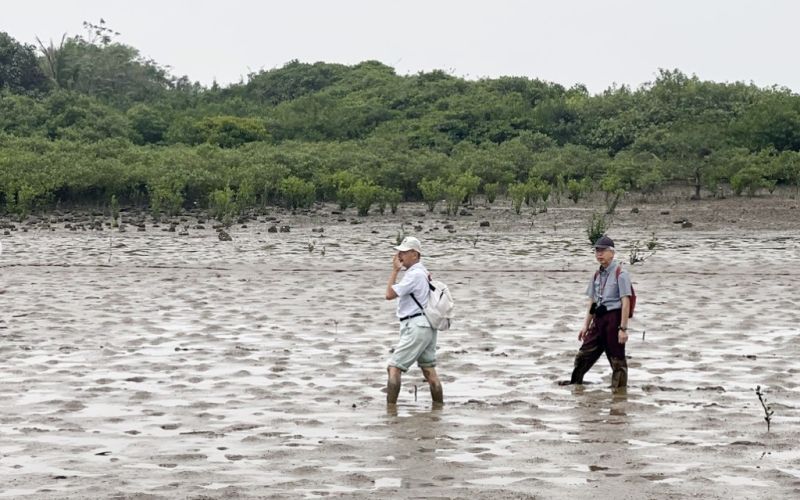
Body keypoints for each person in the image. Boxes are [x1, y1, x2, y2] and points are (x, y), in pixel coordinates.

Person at [566, 235, 632, 390]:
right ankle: (575, 385)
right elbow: (593, 302)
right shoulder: (596, 275)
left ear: (612, 253)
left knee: (617, 359)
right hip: (599, 319)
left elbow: (625, 302)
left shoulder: (621, 274)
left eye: (602, 251)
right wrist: (585, 326)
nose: (599, 254)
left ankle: (619, 392)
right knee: (583, 355)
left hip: (614, 319)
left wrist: (622, 329)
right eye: (597, 251)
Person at [384, 236, 444, 405]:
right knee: (429, 371)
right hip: (427, 326)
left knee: (394, 368)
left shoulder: (414, 275)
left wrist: (394, 271)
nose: (399, 255)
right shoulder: (423, 272)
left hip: (416, 326)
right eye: (399, 252)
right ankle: (438, 409)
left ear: (415, 255)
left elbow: (389, 294)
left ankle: (390, 411)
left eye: (404, 252)